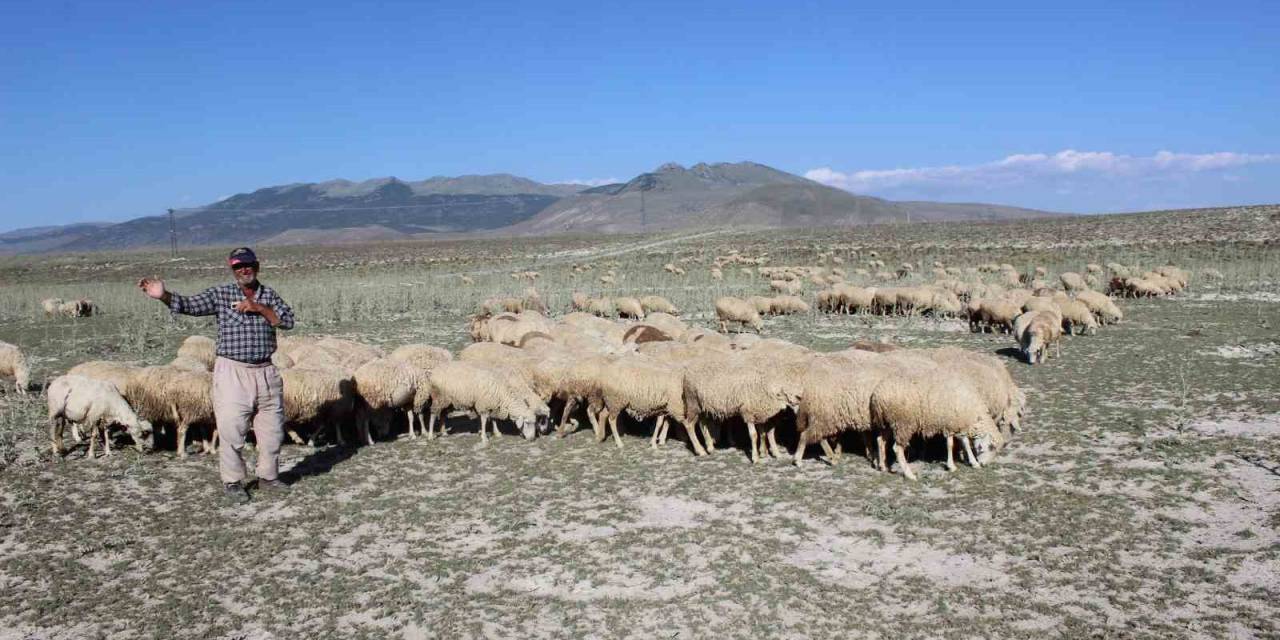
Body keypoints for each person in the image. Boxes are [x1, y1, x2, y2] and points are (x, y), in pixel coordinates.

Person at [138, 247, 295, 505]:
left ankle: (268, 477)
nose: (244, 270)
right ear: (232, 270)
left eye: (248, 265)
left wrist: (258, 307)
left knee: (272, 429)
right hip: (233, 371)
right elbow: (188, 305)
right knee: (232, 428)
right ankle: (233, 481)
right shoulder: (220, 294)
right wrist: (163, 295)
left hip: (266, 370)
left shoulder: (269, 295)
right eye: (238, 267)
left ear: (257, 266)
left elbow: (287, 321)